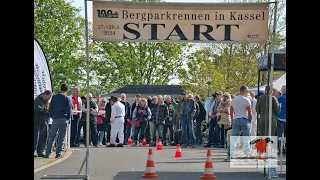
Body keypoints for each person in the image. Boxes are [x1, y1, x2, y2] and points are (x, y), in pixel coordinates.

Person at [44, 84, 72, 158]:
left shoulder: (54, 97)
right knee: (61, 137)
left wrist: (52, 116)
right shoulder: (67, 98)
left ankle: (47, 153)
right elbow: (69, 110)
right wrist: (68, 118)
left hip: (55, 119)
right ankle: (58, 153)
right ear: (67, 90)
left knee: (52, 136)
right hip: (63, 118)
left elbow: (50, 108)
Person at [229, 85, 252, 157]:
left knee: (234, 138)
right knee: (246, 138)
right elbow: (249, 112)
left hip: (236, 119)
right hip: (244, 119)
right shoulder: (247, 100)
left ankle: (230, 153)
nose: (247, 93)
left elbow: (231, 111)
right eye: (247, 91)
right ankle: (247, 153)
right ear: (244, 91)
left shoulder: (234, 100)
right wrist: (249, 119)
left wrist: (232, 120)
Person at [34, 90, 52, 157]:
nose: (49, 98)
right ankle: (35, 151)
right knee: (36, 137)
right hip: (37, 121)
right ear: (45, 94)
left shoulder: (47, 102)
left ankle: (40, 151)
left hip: (45, 122)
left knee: (44, 137)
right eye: (48, 97)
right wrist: (45, 109)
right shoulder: (37, 100)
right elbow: (37, 108)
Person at [277, 85, 286, 153]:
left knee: (279, 133)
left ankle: (280, 148)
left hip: (280, 117)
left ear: (283, 90)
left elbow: (278, 108)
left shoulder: (280, 98)